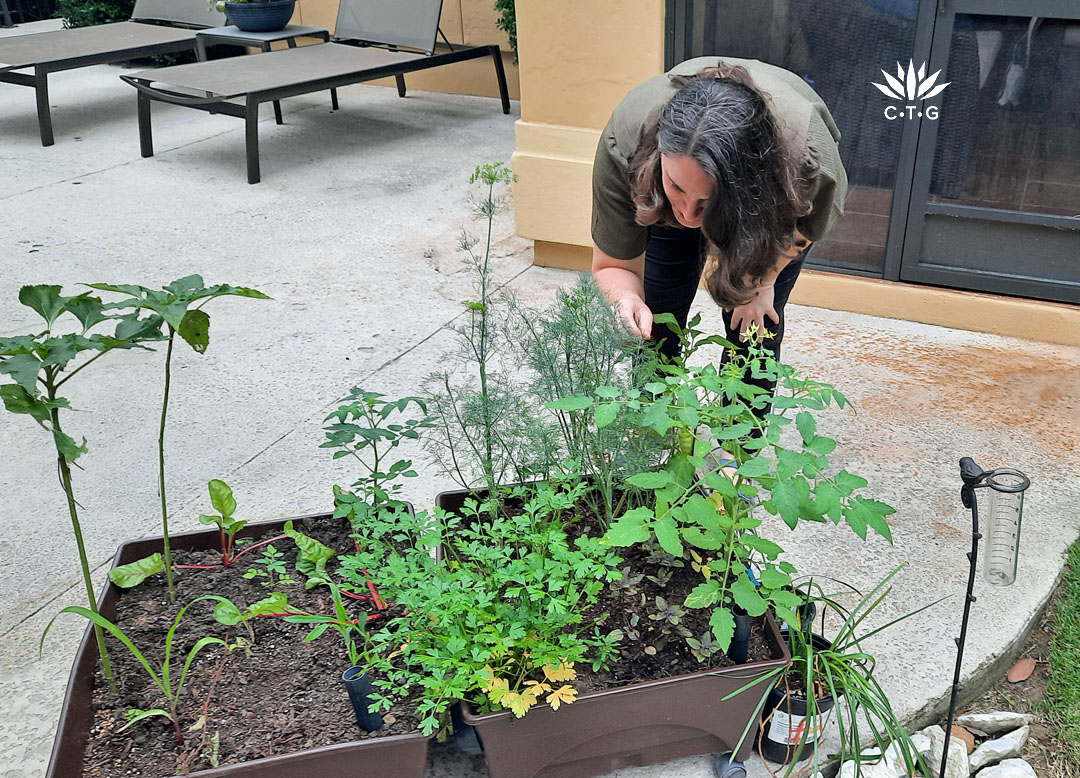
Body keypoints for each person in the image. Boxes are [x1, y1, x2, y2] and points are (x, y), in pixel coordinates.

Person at [591, 57, 848, 400]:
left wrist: (762, 282)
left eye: (706, 203)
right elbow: (613, 265)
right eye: (677, 188)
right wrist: (624, 298)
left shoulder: (804, 166)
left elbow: (799, 232)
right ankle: (650, 431)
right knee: (658, 308)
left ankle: (739, 446)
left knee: (755, 319)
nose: (687, 215)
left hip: (765, 199)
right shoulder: (626, 144)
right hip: (667, 165)